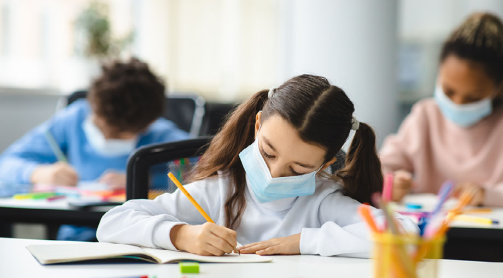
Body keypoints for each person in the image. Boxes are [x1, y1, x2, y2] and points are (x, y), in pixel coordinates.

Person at [97, 74, 417, 257]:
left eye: (297, 169)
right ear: (257, 125)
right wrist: (181, 235)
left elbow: (406, 232)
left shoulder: (322, 200)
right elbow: (112, 222)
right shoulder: (220, 189)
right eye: (268, 152)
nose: (274, 175)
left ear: (326, 163)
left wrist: (303, 242)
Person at [380, 12, 503, 207]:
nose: (457, 103)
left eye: (473, 97)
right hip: (430, 234)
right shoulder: (425, 117)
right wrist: (389, 183)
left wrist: (493, 195)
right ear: (439, 72)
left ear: (498, 87)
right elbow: (376, 167)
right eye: (448, 91)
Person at [0, 58, 190, 240]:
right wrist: (37, 173)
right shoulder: (73, 120)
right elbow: (7, 164)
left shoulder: (163, 136)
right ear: (93, 105)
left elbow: (206, 172)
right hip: (76, 238)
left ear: (147, 125)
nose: (105, 136)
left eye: (118, 133)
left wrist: (143, 178)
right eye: (100, 125)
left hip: (139, 237)